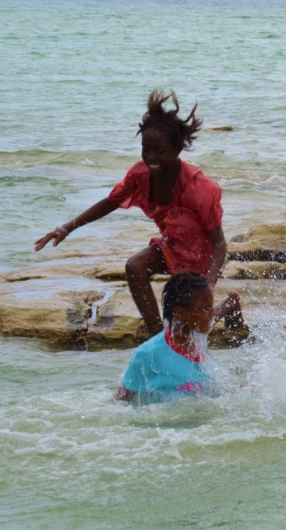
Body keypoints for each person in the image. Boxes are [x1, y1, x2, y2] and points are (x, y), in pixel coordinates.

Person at [35, 90, 230, 336]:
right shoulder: (139, 176)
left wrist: (209, 282)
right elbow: (110, 202)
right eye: (145, 149)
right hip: (173, 246)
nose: (150, 157)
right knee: (135, 266)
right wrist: (67, 227)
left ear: (177, 149)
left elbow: (220, 243)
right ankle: (157, 336)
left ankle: (228, 307)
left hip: (204, 256)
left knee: (191, 327)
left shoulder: (197, 188)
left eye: (159, 150)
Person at [114, 271, 245, 403]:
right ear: (180, 312)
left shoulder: (196, 342)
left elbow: (221, 381)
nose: (212, 314)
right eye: (205, 309)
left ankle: (230, 303)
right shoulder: (147, 355)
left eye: (211, 307)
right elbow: (120, 401)